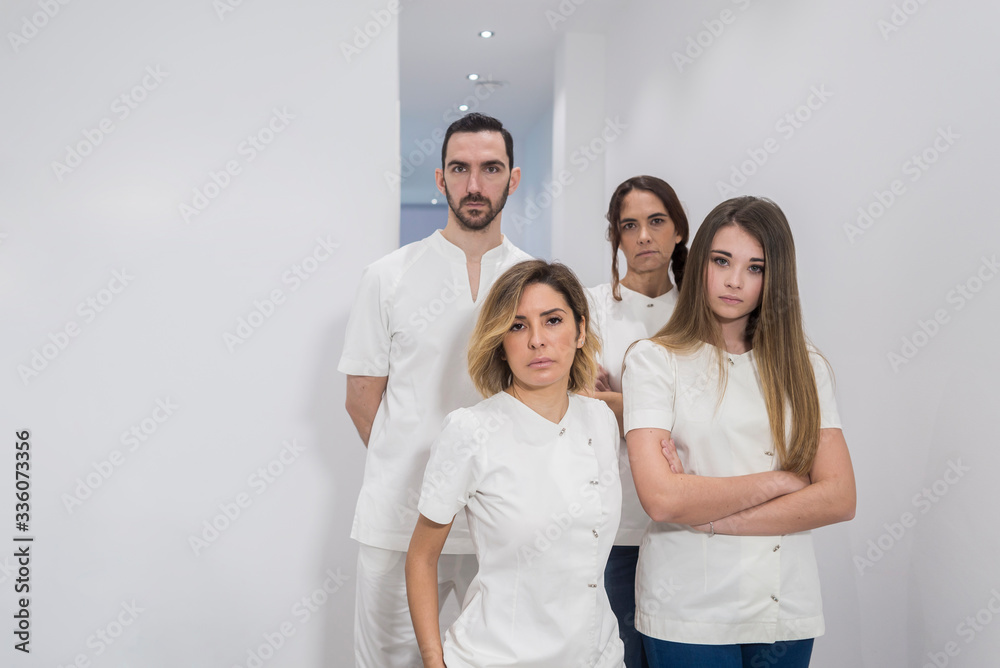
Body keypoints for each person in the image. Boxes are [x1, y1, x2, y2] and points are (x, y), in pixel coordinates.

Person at [622, 196, 856, 667]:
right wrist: (782, 482)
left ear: (776, 278)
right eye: (721, 261)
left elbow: (839, 498)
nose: (734, 281)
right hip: (687, 610)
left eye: (755, 268)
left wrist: (709, 515)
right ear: (700, 263)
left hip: (783, 609)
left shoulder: (806, 367)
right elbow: (663, 499)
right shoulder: (654, 360)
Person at [338, 112, 532, 668]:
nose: (474, 184)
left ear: (513, 179)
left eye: (490, 168)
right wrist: (419, 473)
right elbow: (361, 399)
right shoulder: (388, 276)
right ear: (441, 178)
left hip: (498, 522)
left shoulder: (533, 279)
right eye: (460, 169)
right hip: (398, 518)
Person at [407, 260, 626, 668]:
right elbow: (421, 557)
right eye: (518, 326)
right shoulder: (470, 431)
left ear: (580, 330)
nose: (537, 341)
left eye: (553, 320)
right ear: (500, 343)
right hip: (497, 657)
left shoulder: (600, 420)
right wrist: (433, 660)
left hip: (599, 656)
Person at [586, 176, 689, 668]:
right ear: (616, 237)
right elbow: (576, 404)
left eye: (656, 221)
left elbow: (710, 411)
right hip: (615, 526)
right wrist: (666, 410)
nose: (643, 236)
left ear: (679, 231)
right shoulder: (588, 307)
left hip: (686, 523)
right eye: (629, 225)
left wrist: (617, 400)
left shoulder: (701, 310)